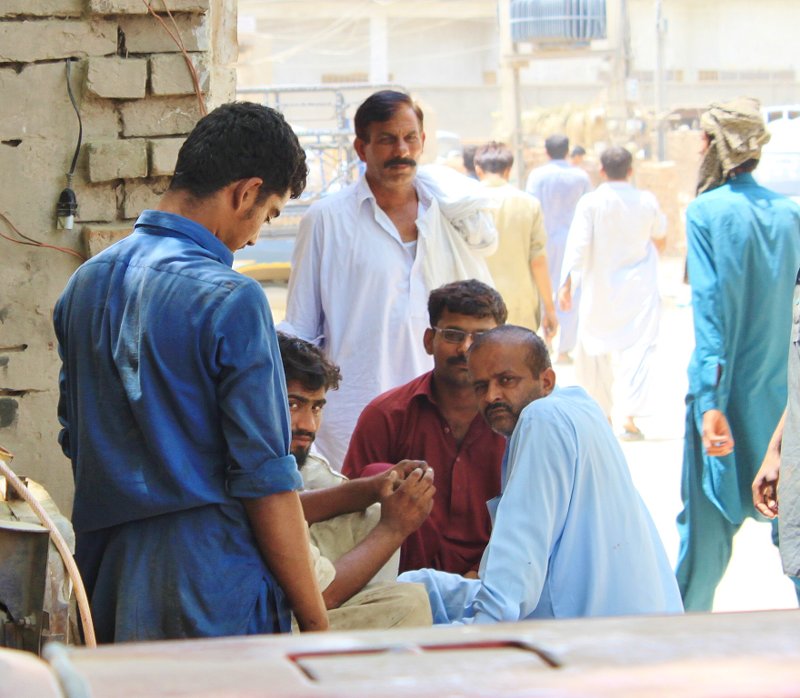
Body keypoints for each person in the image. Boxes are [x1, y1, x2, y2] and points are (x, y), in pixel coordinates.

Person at [54, 103, 329, 642]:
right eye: (268, 214)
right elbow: (267, 483)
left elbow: (75, 438)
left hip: (104, 576)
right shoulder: (233, 298)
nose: (253, 237)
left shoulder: (83, 284)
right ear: (246, 192)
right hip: (210, 583)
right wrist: (317, 622)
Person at [399, 326, 683, 622]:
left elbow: (507, 590)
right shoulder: (578, 407)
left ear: (546, 380)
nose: (491, 396)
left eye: (506, 380)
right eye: (481, 386)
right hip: (639, 624)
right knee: (417, 586)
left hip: (597, 644)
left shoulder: (542, 418)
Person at [282, 89, 497, 470]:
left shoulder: (448, 216)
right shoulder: (327, 220)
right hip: (356, 414)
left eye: (409, 138)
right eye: (386, 139)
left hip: (444, 409)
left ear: (423, 142)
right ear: (361, 148)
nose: (401, 149)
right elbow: (301, 331)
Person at [676, 97, 800, 611]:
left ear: (712, 145)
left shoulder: (705, 212)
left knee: (703, 548)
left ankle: (677, 656)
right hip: (784, 410)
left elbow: (711, 315)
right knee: (791, 531)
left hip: (721, 407)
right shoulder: (792, 213)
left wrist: (709, 403)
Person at [342, 280, 507, 575]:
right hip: (401, 584)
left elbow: (534, 520)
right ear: (429, 340)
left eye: (481, 337)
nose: (466, 348)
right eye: (453, 334)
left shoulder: (516, 424)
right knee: (375, 474)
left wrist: (481, 575)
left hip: (495, 579)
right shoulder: (387, 415)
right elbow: (347, 511)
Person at [277, 333, 435, 629]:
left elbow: (291, 506)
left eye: (316, 408)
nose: (308, 426)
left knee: (372, 512)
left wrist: (375, 487)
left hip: (301, 604)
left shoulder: (304, 464)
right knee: (410, 604)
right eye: (293, 405)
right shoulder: (253, 463)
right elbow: (320, 596)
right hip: (261, 626)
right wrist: (395, 527)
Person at [559, 146, 666, 439]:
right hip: (638, 288)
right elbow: (661, 237)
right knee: (638, 350)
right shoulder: (646, 200)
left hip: (600, 287)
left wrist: (568, 284)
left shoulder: (591, 203)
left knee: (595, 351)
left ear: (602, 171)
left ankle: (602, 415)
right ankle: (629, 418)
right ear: (631, 170)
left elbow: (578, 245)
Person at [474, 141, 557, 338]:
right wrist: (549, 309)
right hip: (520, 305)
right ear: (508, 170)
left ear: (478, 169)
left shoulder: (465, 203)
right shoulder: (529, 204)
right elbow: (538, 261)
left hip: (476, 304)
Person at [525, 134, 591, 363]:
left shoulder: (537, 176)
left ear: (546, 151)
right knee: (570, 292)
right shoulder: (580, 176)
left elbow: (530, 206)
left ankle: (547, 342)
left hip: (542, 239)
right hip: (572, 241)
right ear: (567, 151)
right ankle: (565, 349)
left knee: (544, 289)